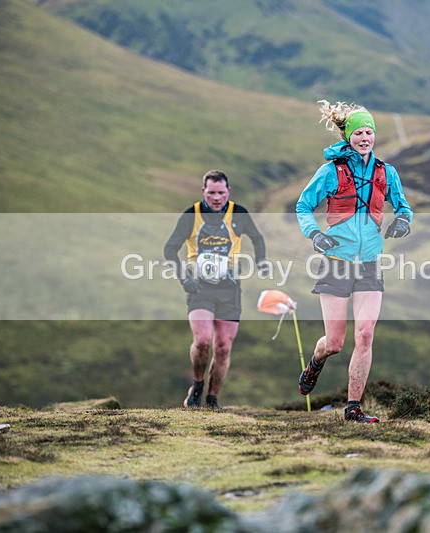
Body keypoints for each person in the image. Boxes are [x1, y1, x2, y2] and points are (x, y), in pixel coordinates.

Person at [295, 101, 413, 423]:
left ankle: (353, 408)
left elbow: (404, 207)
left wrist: (403, 221)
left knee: (365, 334)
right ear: (348, 136)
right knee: (334, 342)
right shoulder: (332, 171)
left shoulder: (386, 173)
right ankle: (316, 361)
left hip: (370, 262)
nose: (365, 137)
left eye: (369, 131)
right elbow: (303, 206)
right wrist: (316, 235)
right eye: (358, 132)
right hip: (336, 261)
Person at [164, 170, 268, 410]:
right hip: (198, 287)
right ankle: (198, 383)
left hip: (230, 289)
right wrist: (184, 280)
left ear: (228, 192)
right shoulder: (191, 215)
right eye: (211, 193)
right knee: (202, 341)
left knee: (223, 347)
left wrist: (261, 261)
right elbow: (169, 250)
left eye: (221, 192)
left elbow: (257, 238)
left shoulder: (238, 213)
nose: (216, 197)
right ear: (203, 192)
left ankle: (212, 398)